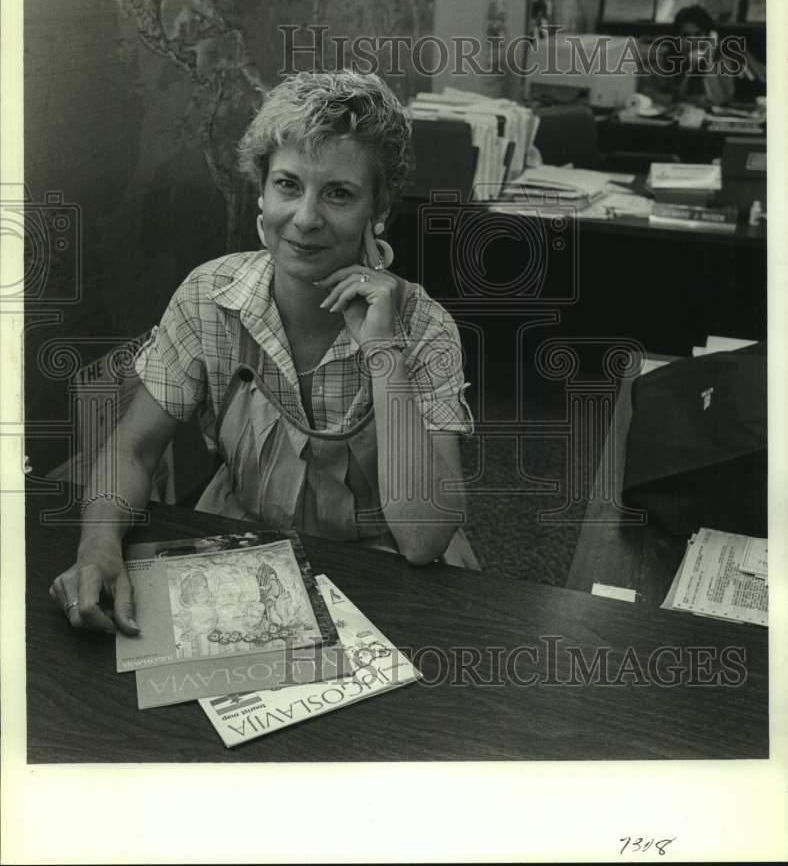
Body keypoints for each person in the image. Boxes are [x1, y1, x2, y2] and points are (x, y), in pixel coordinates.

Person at [49, 70, 475, 634]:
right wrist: (98, 546)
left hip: (389, 571)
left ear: (379, 209)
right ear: (262, 190)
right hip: (242, 549)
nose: (305, 219)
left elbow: (422, 539)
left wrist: (384, 351)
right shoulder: (210, 295)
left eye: (339, 193)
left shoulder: (426, 329)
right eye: (288, 185)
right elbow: (134, 446)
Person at [640, 4, 736, 108]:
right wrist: (679, 99)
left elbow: (720, 99)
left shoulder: (721, 62)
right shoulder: (668, 60)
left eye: (698, 34)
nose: (692, 40)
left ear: (709, 37)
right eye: (685, 35)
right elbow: (647, 93)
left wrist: (709, 64)